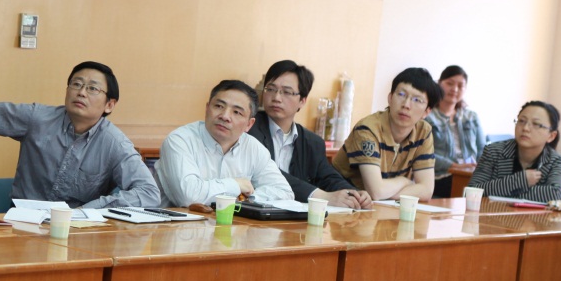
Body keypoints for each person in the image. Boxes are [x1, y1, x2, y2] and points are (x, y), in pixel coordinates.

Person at [0, 61, 158, 209]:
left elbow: (149, 193)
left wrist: (91, 208)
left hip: (76, 229)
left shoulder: (114, 143)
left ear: (110, 105)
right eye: (76, 84)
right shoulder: (38, 118)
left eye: (92, 88)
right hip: (22, 223)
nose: (81, 92)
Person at [249, 60, 371, 209]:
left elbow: (328, 177)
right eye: (271, 89)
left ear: (302, 100)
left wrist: (354, 194)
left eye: (286, 92)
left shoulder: (312, 142)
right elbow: (267, 173)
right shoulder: (249, 128)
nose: (276, 98)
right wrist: (320, 196)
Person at [156, 79, 294, 207]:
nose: (225, 116)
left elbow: (285, 193)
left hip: (232, 225)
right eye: (219, 106)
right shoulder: (180, 140)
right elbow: (188, 197)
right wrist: (235, 185)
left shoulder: (254, 148)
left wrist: (247, 198)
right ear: (207, 108)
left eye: (237, 112)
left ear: (249, 124)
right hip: (178, 224)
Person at [332, 67, 439, 202]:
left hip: (378, 204)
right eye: (401, 94)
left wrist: (386, 194)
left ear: (427, 112)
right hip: (343, 201)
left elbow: (427, 190)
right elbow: (376, 191)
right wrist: (404, 181)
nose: (406, 105)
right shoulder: (368, 129)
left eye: (417, 100)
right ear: (390, 98)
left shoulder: (423, 131)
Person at [468, 101, 561, 203]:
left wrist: (502, 192)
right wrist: (520, 180)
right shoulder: (493, 151)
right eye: (522, 121)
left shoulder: (556, 160)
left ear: (551, 136)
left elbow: (555, 195)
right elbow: (473, 191)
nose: (525, 128)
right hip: (492, 212)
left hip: (532, 214)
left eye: (536, 124)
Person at [426, 65, 486, 198]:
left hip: (469, 174)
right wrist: (454, 166)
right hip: (441, 175)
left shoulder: (472, 117)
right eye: (450, 83)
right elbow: (424, 153)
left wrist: (480, 168)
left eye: (460, 85)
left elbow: (483, 149)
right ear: (439, 83)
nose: (455, 89)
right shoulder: (428, 117)